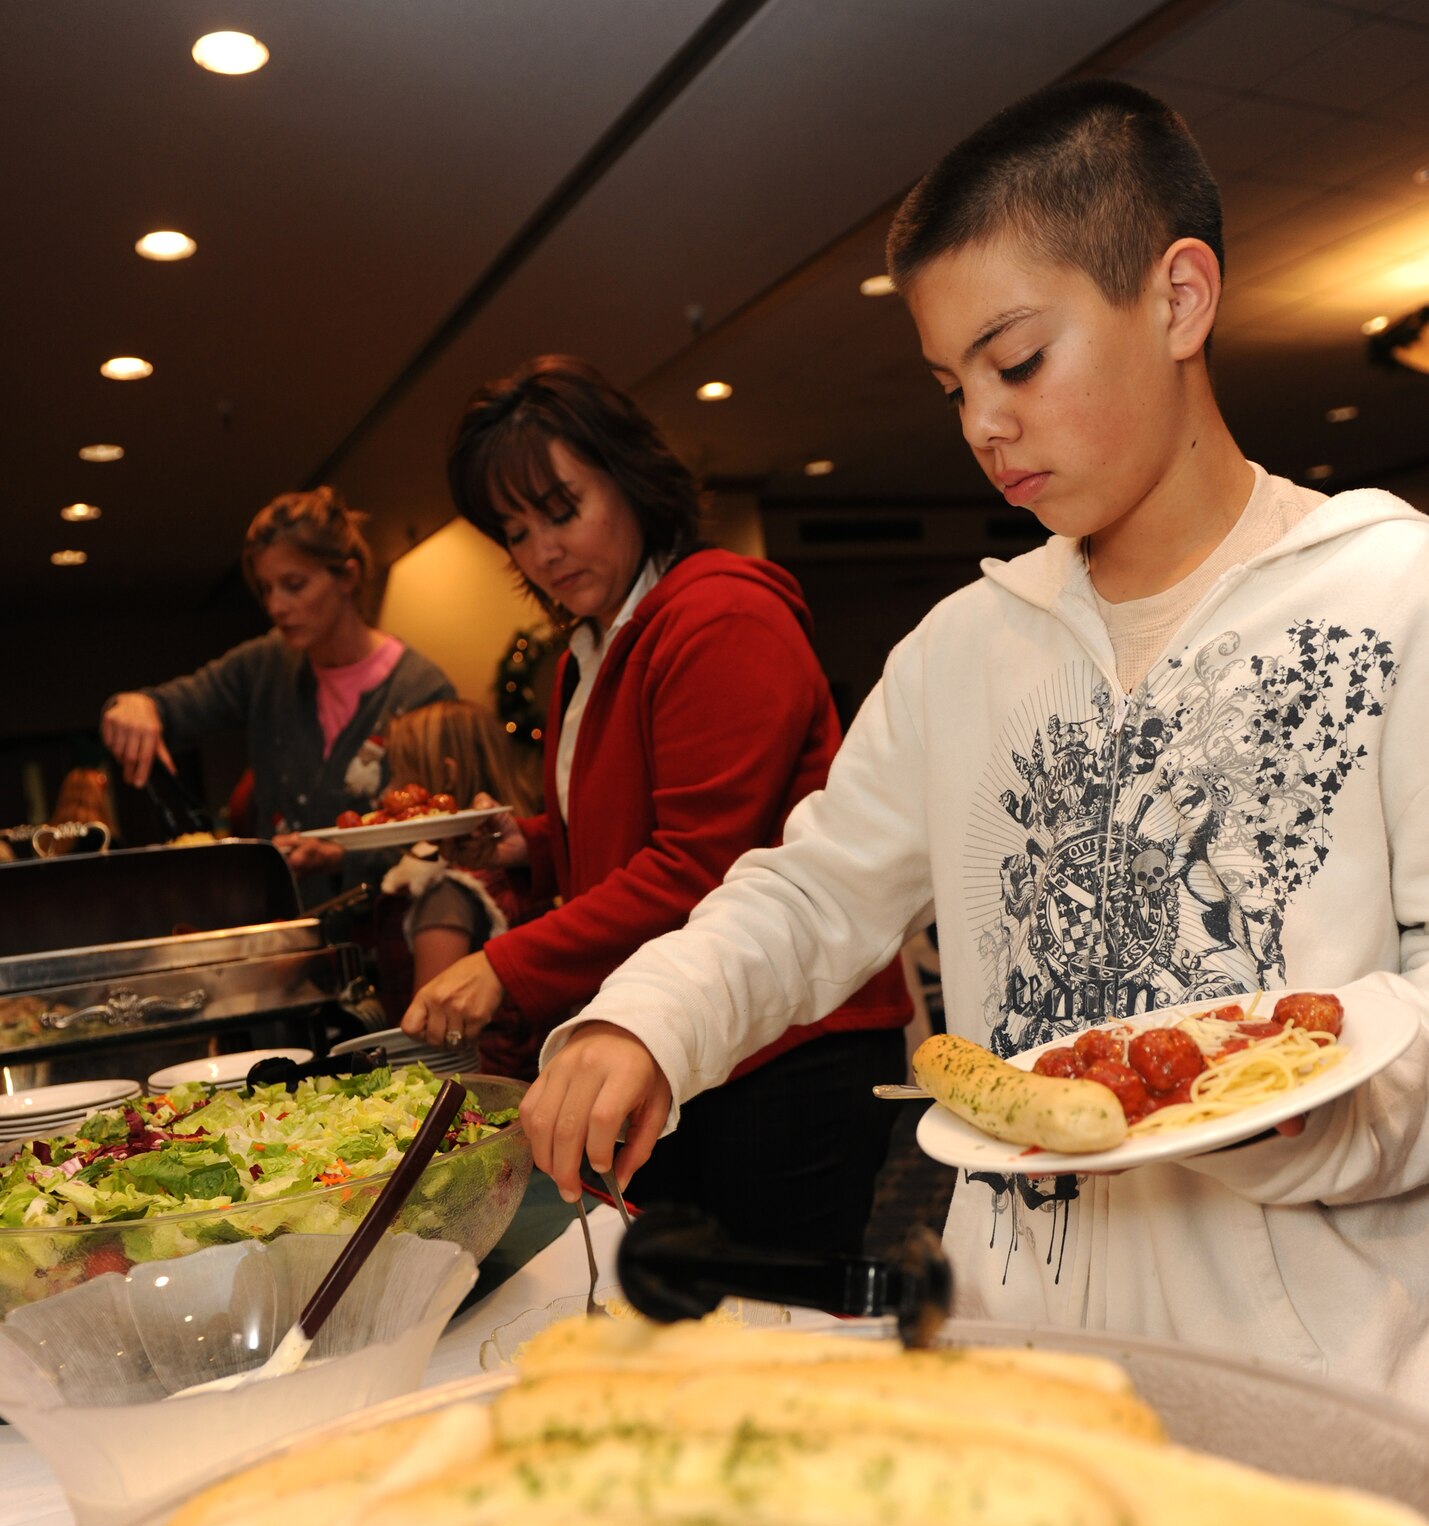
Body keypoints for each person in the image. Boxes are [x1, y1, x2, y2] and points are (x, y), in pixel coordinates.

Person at [520, 82, 1429, 1405]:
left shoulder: (1389, 592)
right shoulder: (964, 648)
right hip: (1025, 1356)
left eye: (1016, 363)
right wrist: (648, 1022)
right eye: (952, 387)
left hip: (1313, 1372)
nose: (980, 426)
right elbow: (814, 890)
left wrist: (1318, 1112)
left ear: (1178, 299)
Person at [402, 355, 910, 1251]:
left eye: (561, 510)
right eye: (515, 532)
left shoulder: (719, 616)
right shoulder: (588, 647)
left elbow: (699, 864)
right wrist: (524, 846)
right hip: (686, 1033)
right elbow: (615, 836)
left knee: (767, 1327)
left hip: (789, 1048)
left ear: (632, 480)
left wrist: (505, 965)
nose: (542, 551)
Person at [99, 488, 454, 898]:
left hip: (391, 934)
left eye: (294, 585)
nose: (276, 606)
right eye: (266, 589)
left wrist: (341, 856)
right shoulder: (267, 663)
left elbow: (442, 841)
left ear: (348, 577)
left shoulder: (421, 689)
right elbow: (176, 706)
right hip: (288, 925)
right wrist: (136, 705)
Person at [380, 700, 543, 1079]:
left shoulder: (444, 892)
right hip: (529, 1071)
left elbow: (433, 1029)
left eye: (398, 775)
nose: (387, 790)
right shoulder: (519, 866)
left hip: (476, 1089)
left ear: (446, 777)